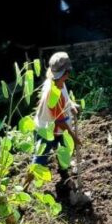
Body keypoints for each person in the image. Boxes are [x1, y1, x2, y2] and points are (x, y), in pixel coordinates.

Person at [30, 52, 89, 207]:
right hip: (46, 130)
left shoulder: (60, 82)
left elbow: (65, 100)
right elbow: (59, 119)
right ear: (67, 72)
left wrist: (72, 105)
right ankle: (25, 188)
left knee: (63, 153)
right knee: (39, 160)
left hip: (56, 129)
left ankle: (66, 180)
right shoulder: (52, 91)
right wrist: (73, 137)